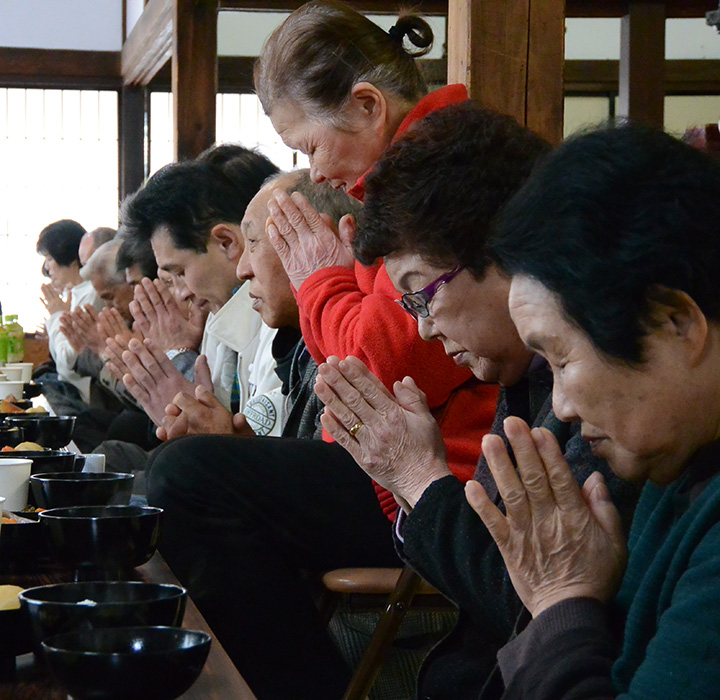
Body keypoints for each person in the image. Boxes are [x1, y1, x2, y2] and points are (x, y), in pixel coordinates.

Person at [314, 103, 639, 699]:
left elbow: (530, 601)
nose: (422, 331)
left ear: (504, 251)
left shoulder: (609, 386)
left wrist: (420, 479)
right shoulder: (521, 371)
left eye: (419, 296)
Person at [457, 122, 720, 699]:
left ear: (677, 324)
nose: (564, 407)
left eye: (561, 359)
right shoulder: (675, 459)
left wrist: (562, 603)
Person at [254, 0, 498, 525]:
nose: (313, 176)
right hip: (392, 465)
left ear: (367, 105)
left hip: (452, 479)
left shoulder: (440, 179)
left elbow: (379, 374)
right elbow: (343, 375)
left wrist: (321, 282)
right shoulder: (397, 184)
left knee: (192, 476)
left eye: (310, 147)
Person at [145, 170, 381, 700]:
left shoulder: (360, 315)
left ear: (320, 239)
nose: (243, 266)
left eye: (254, 244)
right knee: (163, 473)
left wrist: (224, 448)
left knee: (184, 475)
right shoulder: (289, 333)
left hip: (406, 503)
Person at [113, 144, 280, 433]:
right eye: (169, 279)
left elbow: (264, 454)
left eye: (180, 272)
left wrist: (180, 360)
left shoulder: (281, 320)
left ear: (227, 241)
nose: (180, 293)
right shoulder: (219, 316)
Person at [36, 218, 104, 408]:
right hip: (70, 388)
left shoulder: (92, 293)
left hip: (82, 396)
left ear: (71, 259)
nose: (47, 268)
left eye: (49, 258)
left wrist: (57, 315)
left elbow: (67, 363)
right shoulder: (76, 294)